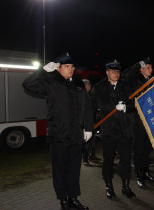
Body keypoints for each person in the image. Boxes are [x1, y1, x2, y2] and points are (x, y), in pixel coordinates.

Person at [22, 53, 92, 210]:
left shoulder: (79, 85)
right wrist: (42, 70)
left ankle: (73, 198)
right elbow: (28, 84)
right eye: (67, 67)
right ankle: (63, 200)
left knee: (74, 169)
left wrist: (88, 128)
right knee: (60, 169)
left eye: (72, 67)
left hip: (76, 135)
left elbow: (87, 108)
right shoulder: (51, 82)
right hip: (58, 135)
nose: (71, 69)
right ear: (58, 68)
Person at [93, 59, 136, 199]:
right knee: (108, 160)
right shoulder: (99, 87)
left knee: (125, 160)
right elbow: (91, 108)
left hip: (124, 129)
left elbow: (134, 103)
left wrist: (126, 108)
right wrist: (88, 127)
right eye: (112, 71)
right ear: (107, 72)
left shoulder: (126, 86)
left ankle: (125, 186)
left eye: (117, 71)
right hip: (109, 130)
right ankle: (109, 186)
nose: (115, 73)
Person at [122, 57, 154, 188]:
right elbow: (126, 75)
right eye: (148, 67)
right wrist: (137, 64)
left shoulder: (151, 81)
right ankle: (139, 176)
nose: (151, 69)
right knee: (138, 149)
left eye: (151, 67)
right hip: (138, 119)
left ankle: (146, 173)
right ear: (142, 69)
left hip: (150, 119)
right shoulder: (135, 80)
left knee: (146, 148)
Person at [82, 79, 102, 166]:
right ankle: (85, 158)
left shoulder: (90, 95)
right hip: (85, 123)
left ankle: (92, 155)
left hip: (92, 122)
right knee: (86, 142)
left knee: (92, 140)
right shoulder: (82, 96)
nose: (90, 86)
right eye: (89, 84)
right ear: (85, 85)